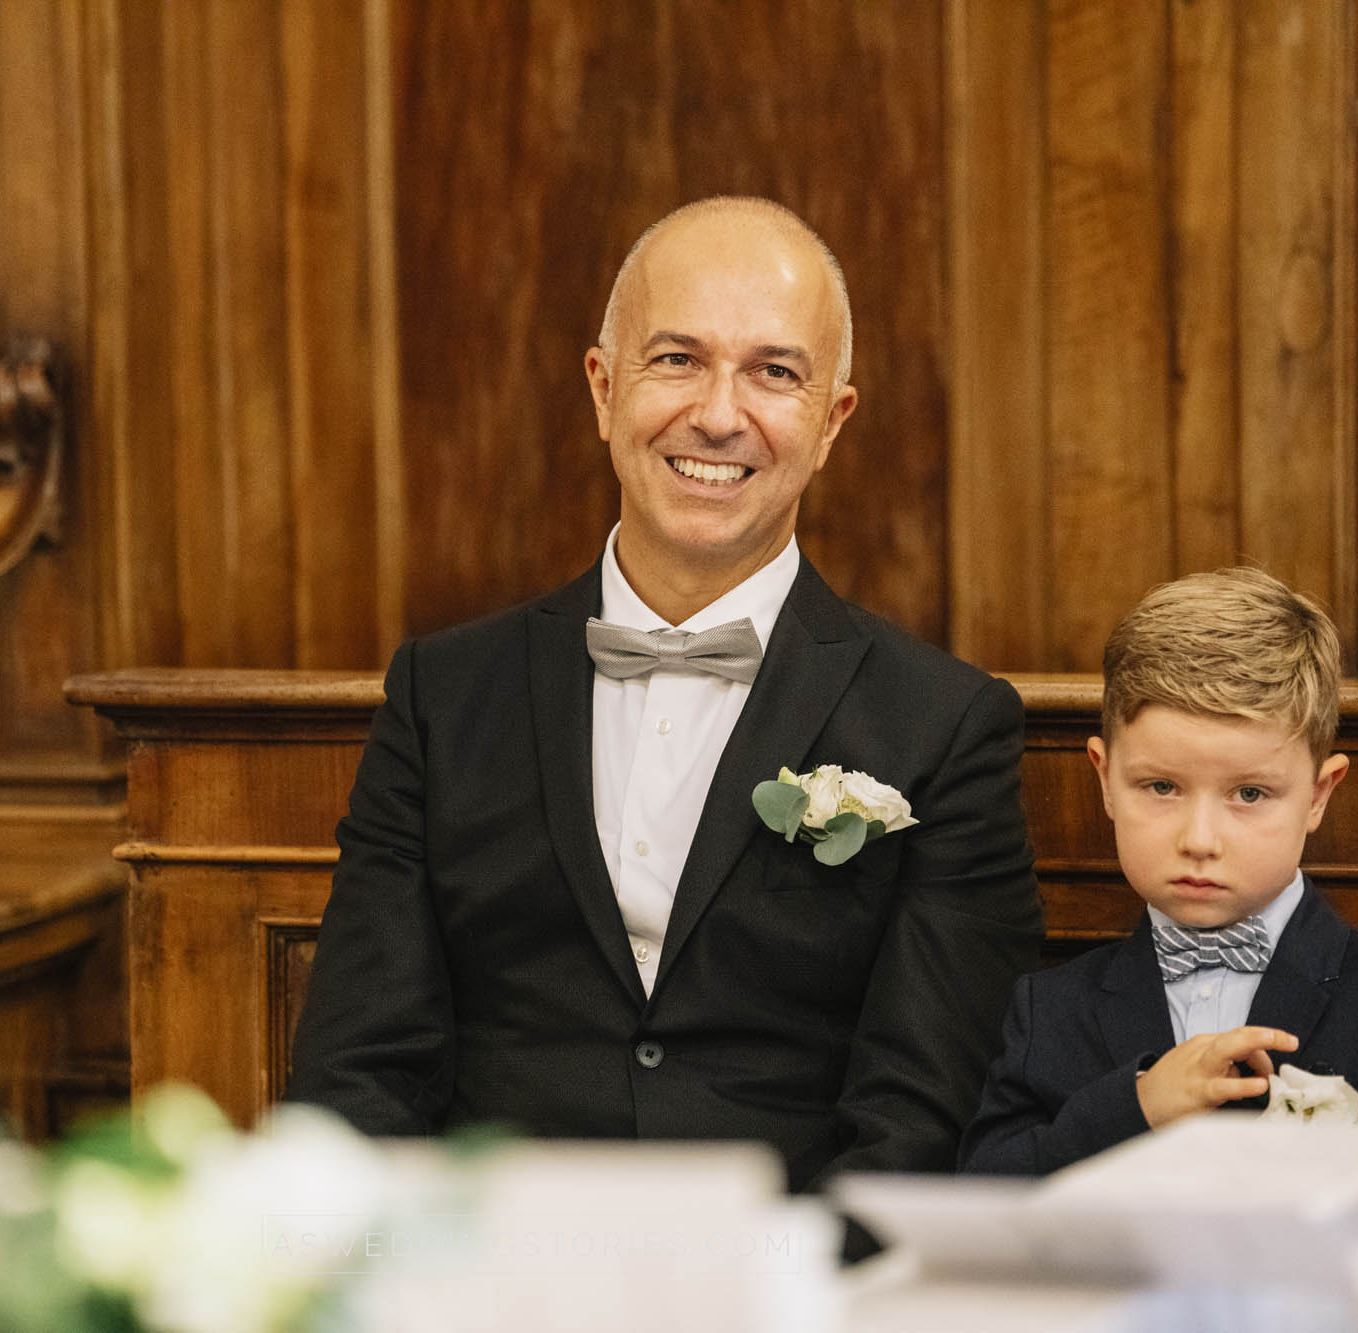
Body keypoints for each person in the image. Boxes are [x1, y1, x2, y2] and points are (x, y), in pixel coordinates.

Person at [286, 196, 1044, 1190]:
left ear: (830, 422)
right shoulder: (442, 696)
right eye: (677, 359)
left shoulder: (943, 726)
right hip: (493, 1256)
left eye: (774, 372)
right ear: (603, 389)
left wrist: (786, 1272)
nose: (719, 415)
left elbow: (921, 1117)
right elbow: (359, 1070)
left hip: (788, 1264)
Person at [959, 568, 1358, 1176]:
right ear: (1104, 779)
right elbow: (986, 1194)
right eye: (1161, 787)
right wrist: (1136, 1106)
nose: (1200, 840)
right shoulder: (1048, 1009)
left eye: (1250, 794)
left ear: (1318, 795)